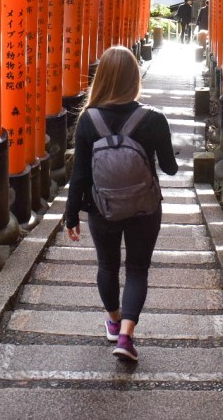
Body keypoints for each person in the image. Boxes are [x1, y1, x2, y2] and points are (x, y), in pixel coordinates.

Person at [65, 46, 178, 362]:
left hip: (102, 209)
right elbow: (169, 169)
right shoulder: (153, 119)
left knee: (107, 265)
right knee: (138, 268)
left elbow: (80, 175)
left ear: (101, 78)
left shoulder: (89, 120)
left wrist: (71, 215)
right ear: (134, 77)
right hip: (145, 209)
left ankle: (113, 321)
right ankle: (126, 336)